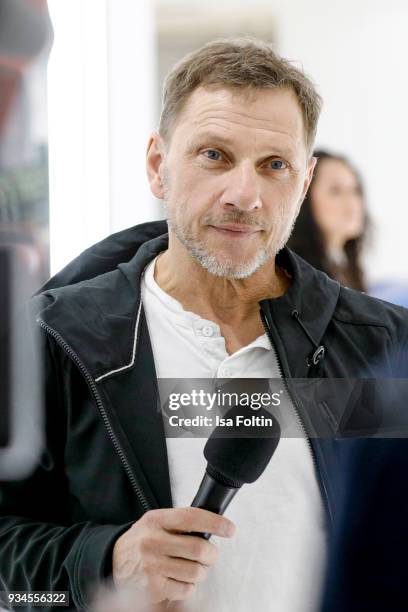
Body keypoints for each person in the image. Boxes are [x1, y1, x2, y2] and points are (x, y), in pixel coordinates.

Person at [0, 37, 407, 612]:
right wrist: (104, 560)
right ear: (157, 165)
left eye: (274, 166)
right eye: (214, 155)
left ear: (304, 184)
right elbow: (12, 584)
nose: (245, 196)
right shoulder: (57, 340)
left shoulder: (383, 348)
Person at [287, 150, 369, 291]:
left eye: (355, 190)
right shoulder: (294, 274)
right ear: (304, 197)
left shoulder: (347, 266)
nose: (352, 202)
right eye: (335, 191)